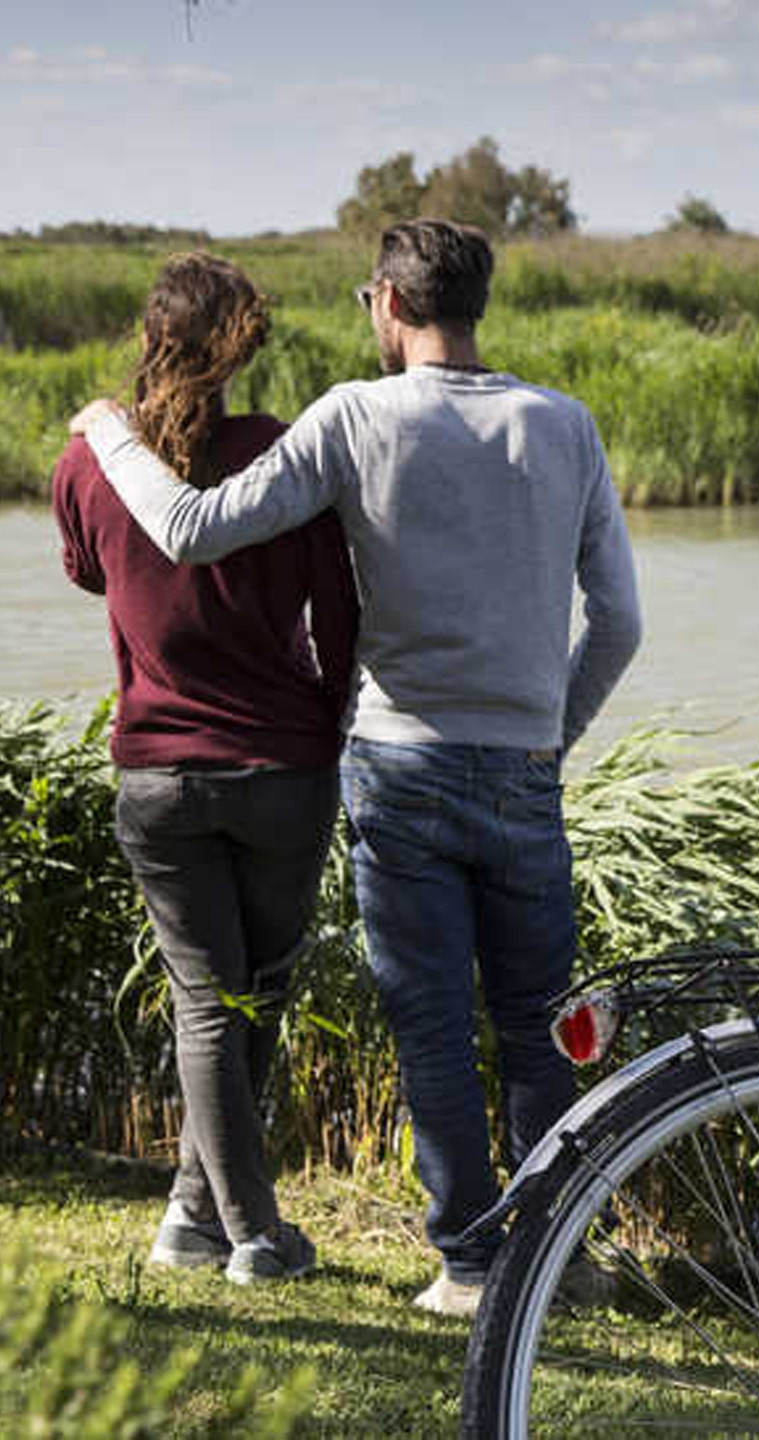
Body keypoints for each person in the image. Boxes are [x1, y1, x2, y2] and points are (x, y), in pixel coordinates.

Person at [73, 219, 643, 1316]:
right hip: (522, 763)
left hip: (401, 764)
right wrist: (547, 739)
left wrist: (109, 435)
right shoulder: (564, 425)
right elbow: (617, 622)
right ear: (474, 304)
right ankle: (557, 1258)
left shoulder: (355, 417)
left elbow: (193, 530)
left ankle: (472, 1268)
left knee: (431, 1023)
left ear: (388, 302)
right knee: (538, 1023)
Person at [54, 253, 358, 1285]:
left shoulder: (93, 463)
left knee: (216, 1002)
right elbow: (340, 605)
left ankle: (195, 1217)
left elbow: (89, 569)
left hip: (158, 774)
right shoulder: (276, 456)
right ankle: (258, 1237)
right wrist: (327, 718)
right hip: (283, 768)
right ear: (236, 351)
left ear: (151, 337)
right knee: (249, 999)